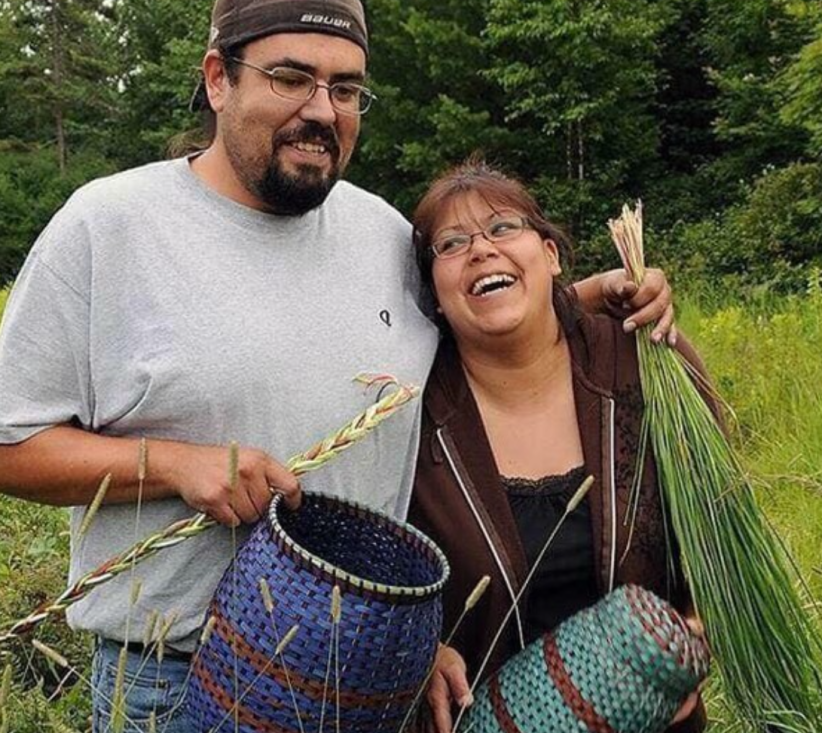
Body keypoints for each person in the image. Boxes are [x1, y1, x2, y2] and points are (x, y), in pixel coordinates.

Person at [0, 1, 676, 730]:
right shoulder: (110, 227)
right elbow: (11, 443)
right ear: (219, 79)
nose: (322, 110)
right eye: (291, 78)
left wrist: (592, 294)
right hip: (181, 678)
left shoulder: (381, 235)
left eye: (346, 88)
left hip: (376, 680)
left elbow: (473, 322)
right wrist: (171, 465)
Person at [406, 160, 711, 733]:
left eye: (503, 228)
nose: (481, 250)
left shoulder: (644, 361)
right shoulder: (411, 416)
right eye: (451, 244)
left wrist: (694, 638)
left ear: (550, 255)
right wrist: (419, 653)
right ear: (436, 296)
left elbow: (721, 535)